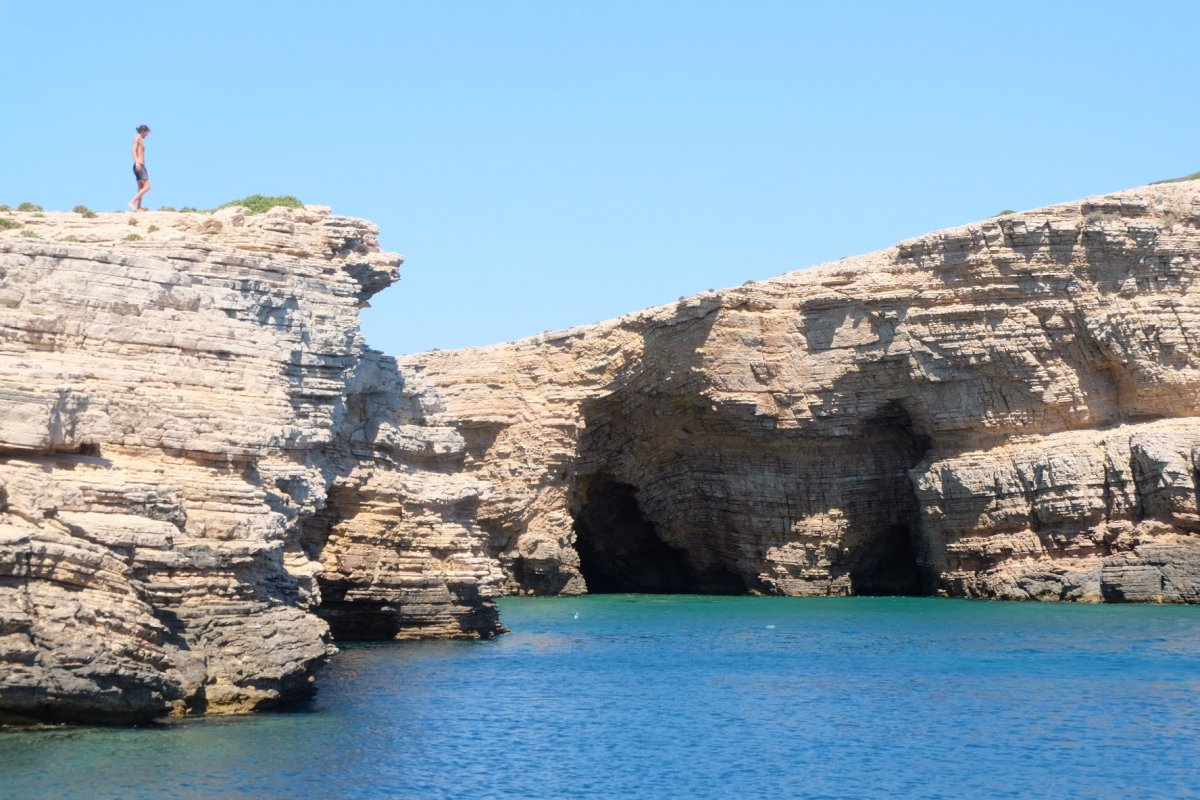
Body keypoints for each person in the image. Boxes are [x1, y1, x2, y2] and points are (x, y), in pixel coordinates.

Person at [128, 125, 151, 211]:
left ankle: (138, 207)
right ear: (143, 131)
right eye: (147, 133)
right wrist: (137, 162)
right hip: (139, 165)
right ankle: (132, 202)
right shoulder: (137, 137)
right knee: (147, 187)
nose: (147, 135)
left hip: (141, 165)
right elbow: (133, 150)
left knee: (141, 188)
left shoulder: (141, 139)